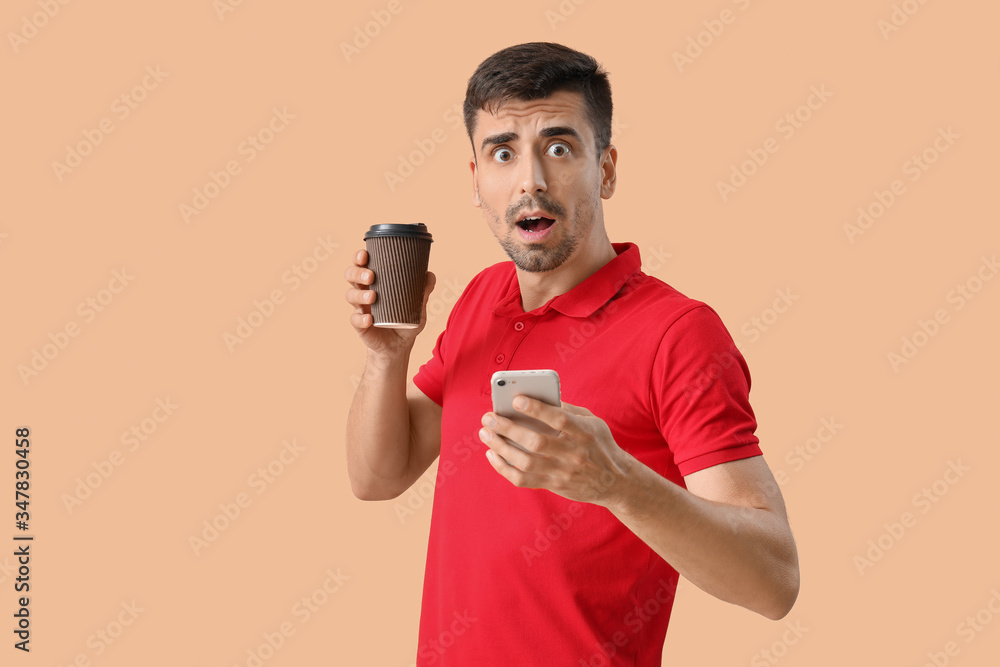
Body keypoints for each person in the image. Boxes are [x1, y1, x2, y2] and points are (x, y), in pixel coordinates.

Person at [345, 42, 799, 666]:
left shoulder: (678, 333)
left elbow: (774, 581)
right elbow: (378, 478)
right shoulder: (483, 296)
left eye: (559, 148)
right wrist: (385, 354)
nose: (530, 179)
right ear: (475, 180)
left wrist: (619, 485)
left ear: (606, 169)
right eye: (503, 152)